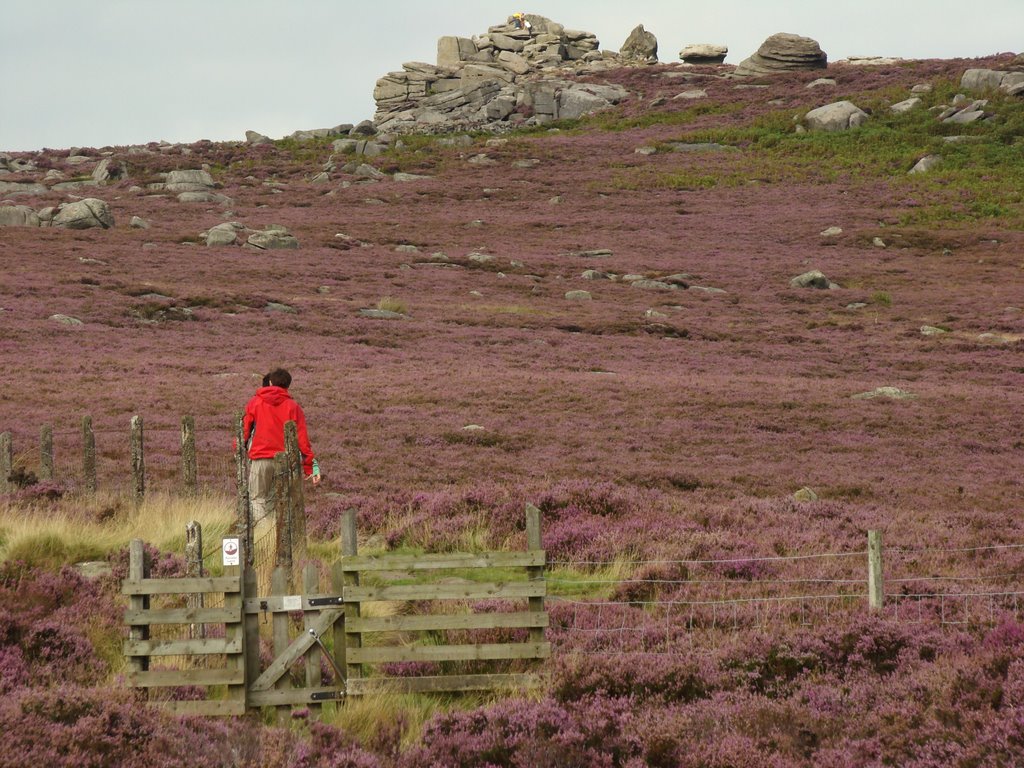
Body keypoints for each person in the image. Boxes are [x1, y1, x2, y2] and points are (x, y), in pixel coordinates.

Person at [241, 367, 320, 526]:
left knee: (257, 498)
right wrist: (310, 468)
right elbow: (303, 441)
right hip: (286, 462)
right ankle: (280, 537)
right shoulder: (294, 407)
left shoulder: (255, 403)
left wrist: (239, 447)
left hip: (260, 458)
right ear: (287, 385)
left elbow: (244, 431)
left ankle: (264, 531)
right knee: (283, 500)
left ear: (270, 382)